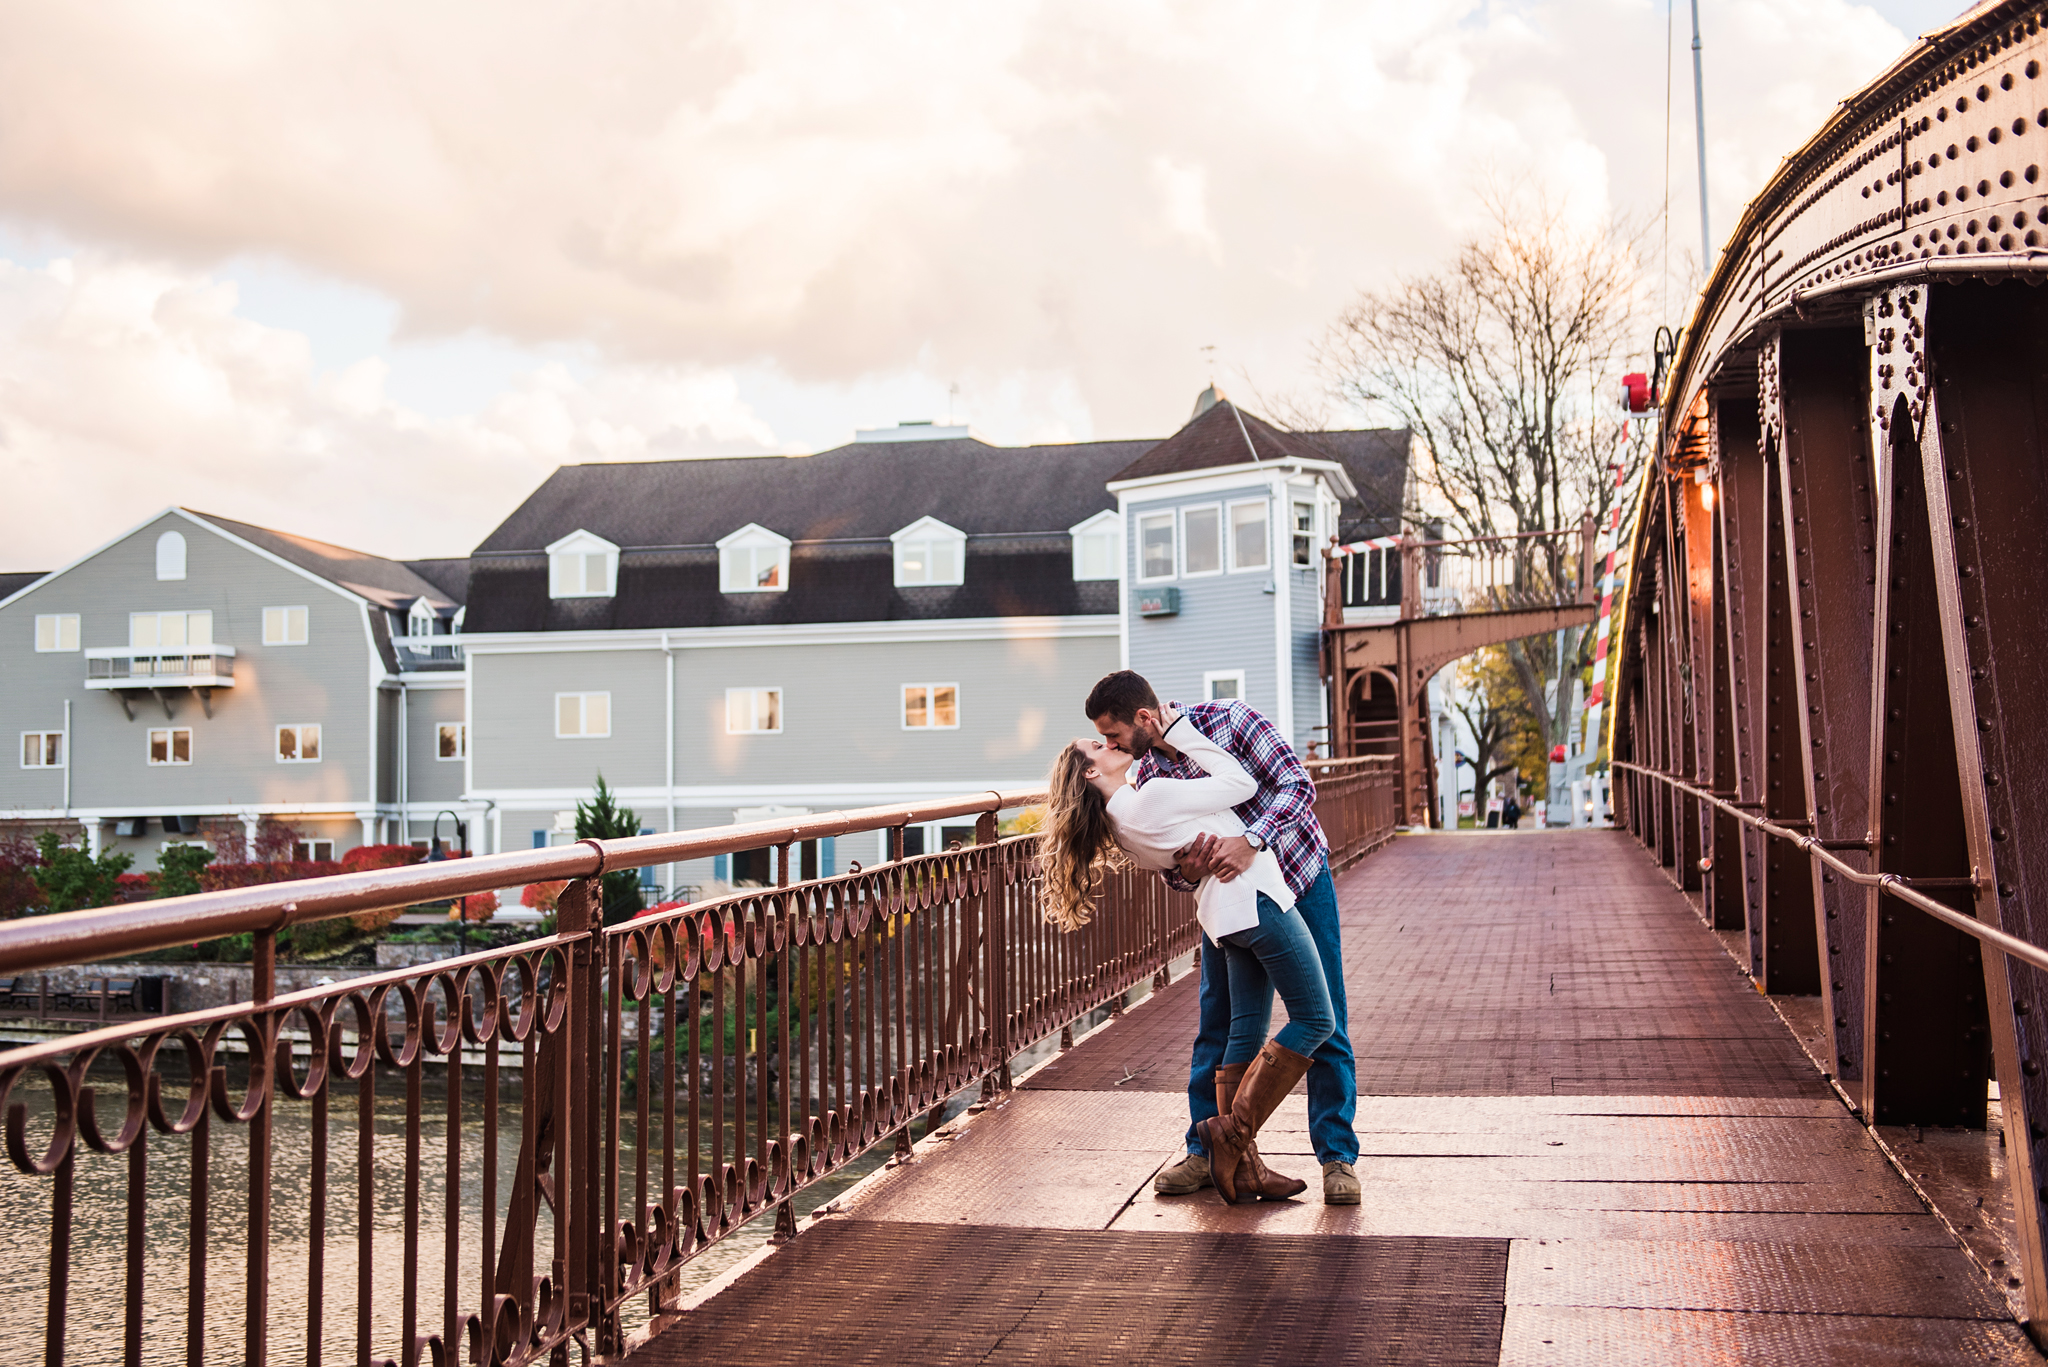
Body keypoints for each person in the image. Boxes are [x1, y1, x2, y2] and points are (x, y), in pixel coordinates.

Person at [1084, 670, 1361, 1206]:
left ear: (1144, 718)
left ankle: (1336, 1158)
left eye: (1114, 735)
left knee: (1328, 1022)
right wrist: (1186, 869)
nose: (1114, 746)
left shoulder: (1230, 721)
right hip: (1231, 905)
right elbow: (1168, 860)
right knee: (1220, 1024)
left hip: (1298, 877)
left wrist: (1250, 840)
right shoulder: (1144, 777)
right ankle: (1210, 1152)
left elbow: (1296, 786)